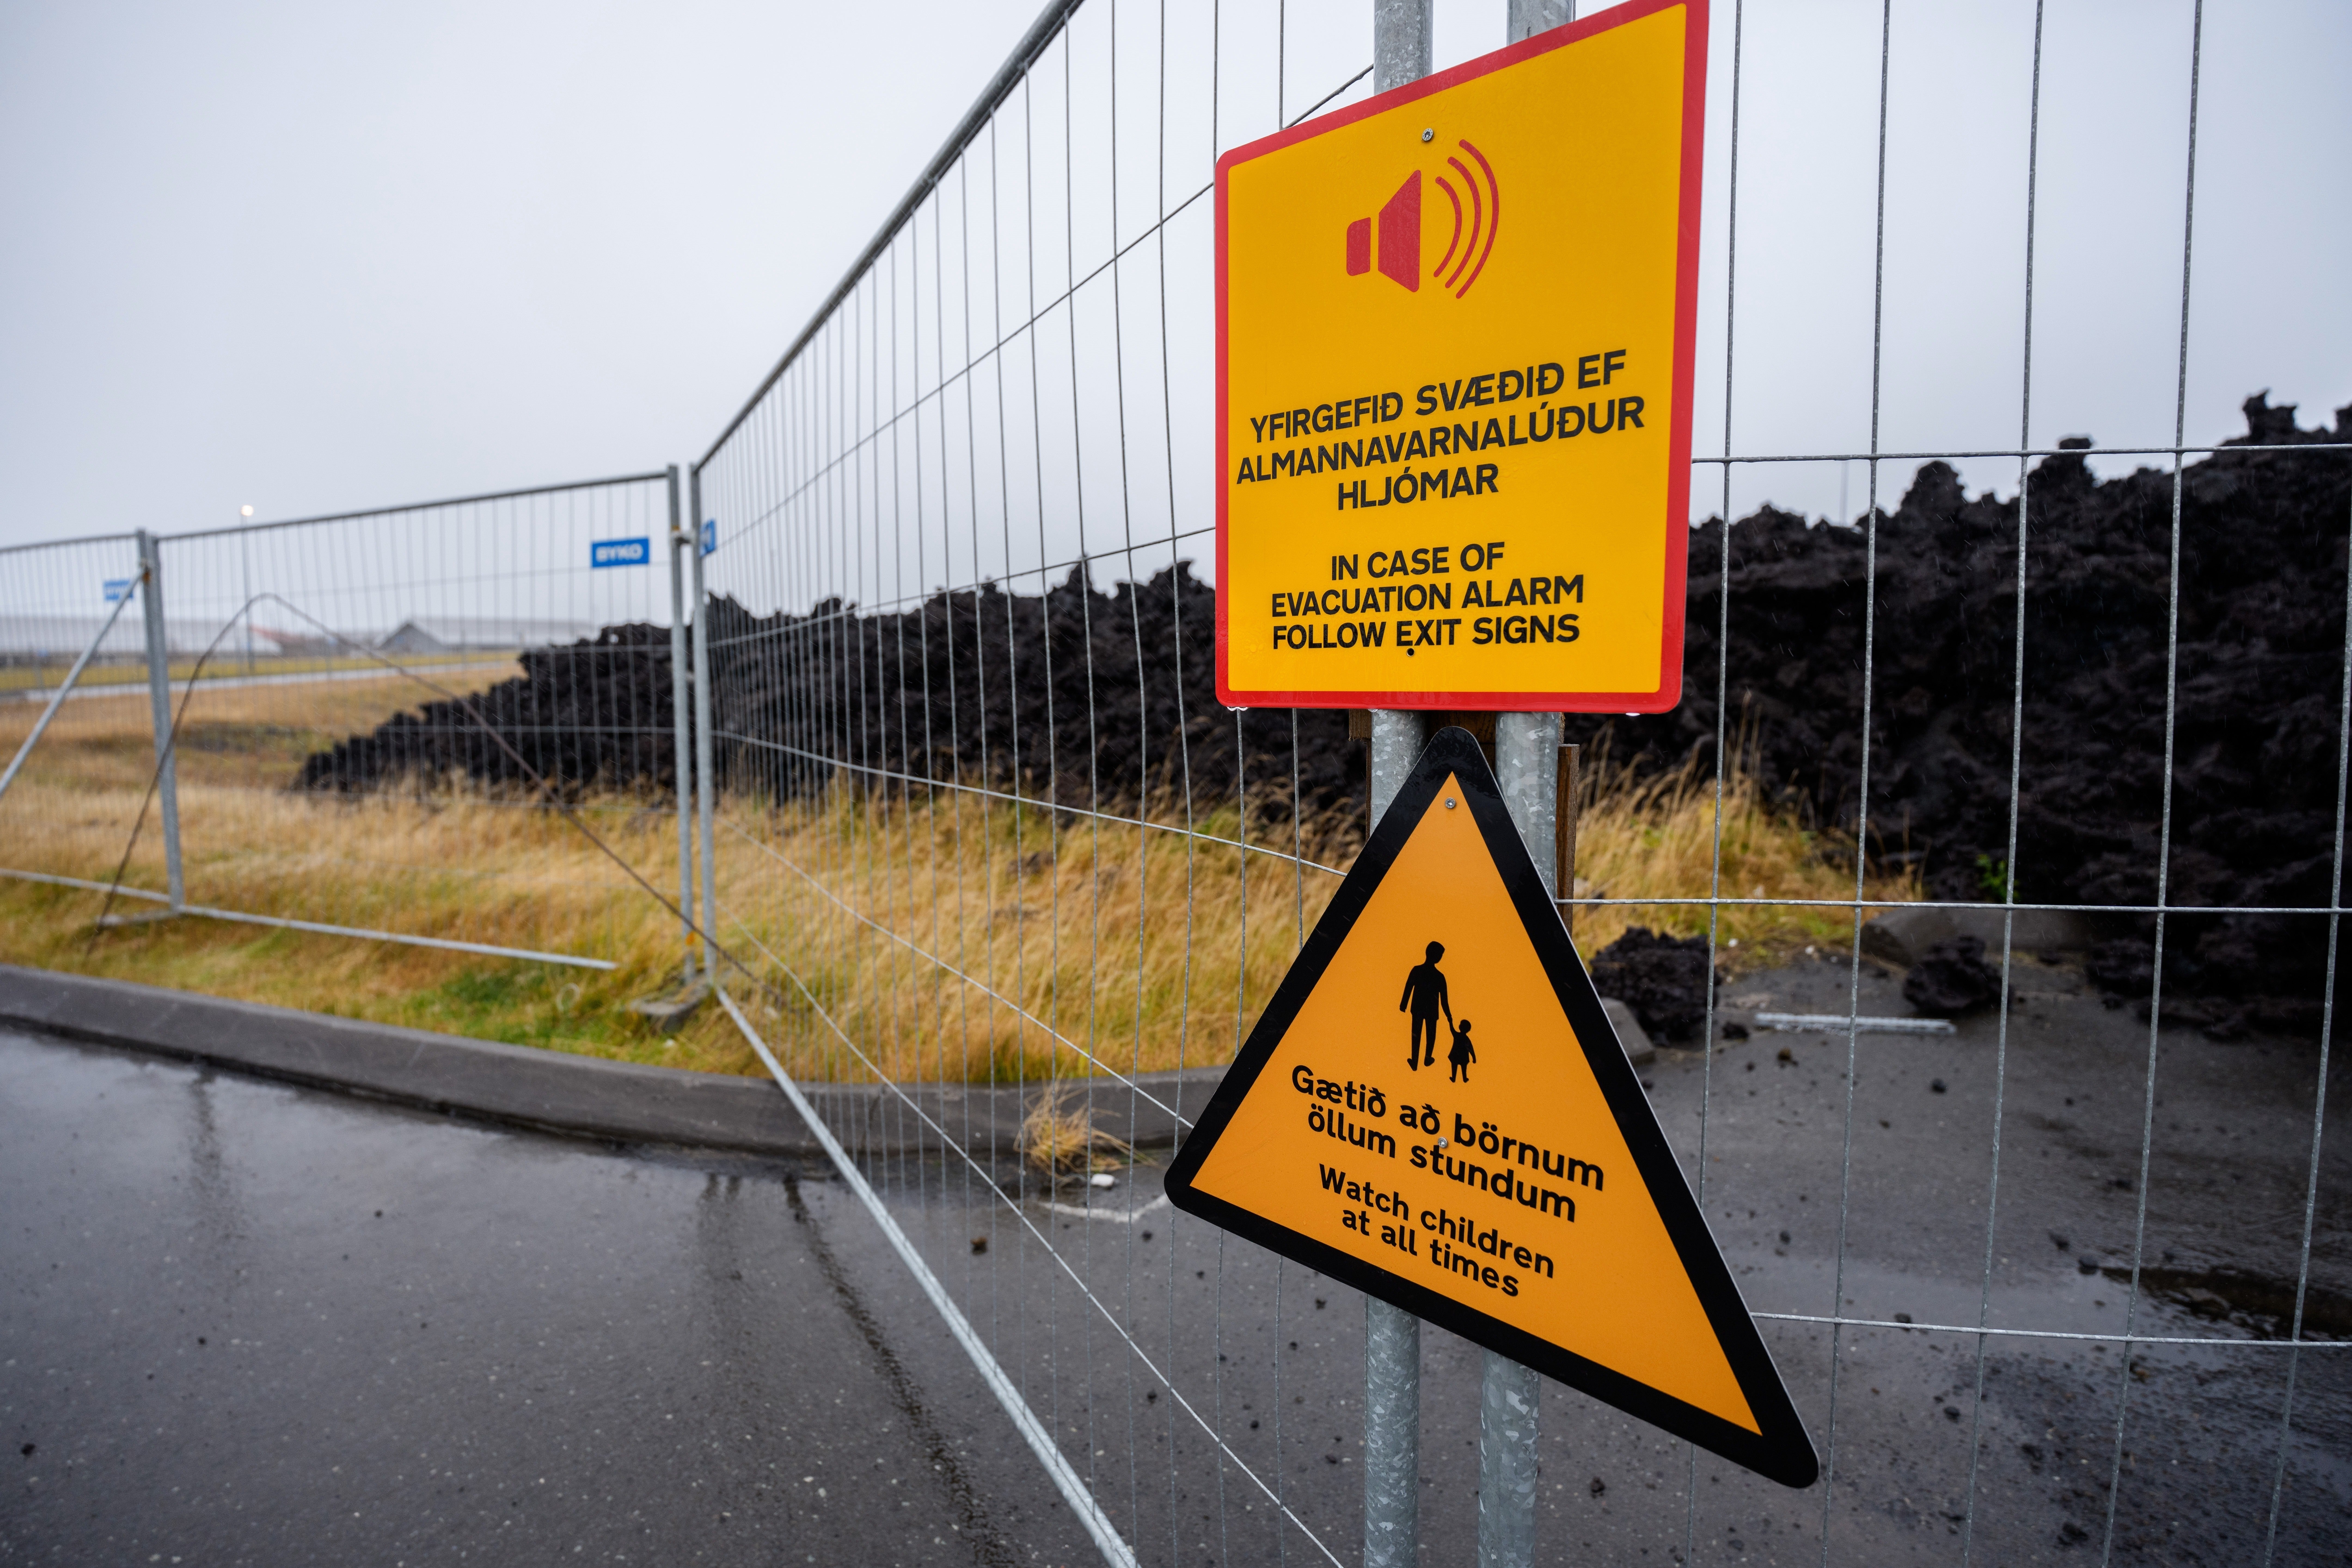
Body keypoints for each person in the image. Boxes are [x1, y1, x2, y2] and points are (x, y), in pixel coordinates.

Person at [1398, 941, 1451, 1071]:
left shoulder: (1418, 970)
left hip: (1418, 1008)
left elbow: (1409, 987)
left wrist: (1404, 1004)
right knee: (1430, 1034)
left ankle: (1415, 1060)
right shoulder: (1439, 976)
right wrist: (1448, 1015)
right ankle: (1427, 1058)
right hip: (1431, 1010)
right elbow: (1444, 1000)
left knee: (1417, 1033)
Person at [1447, 1019, 1476, 1083]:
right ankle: (1462, 1078)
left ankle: (1458, 1078)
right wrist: (1474, 1058)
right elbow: (1471, 1049)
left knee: (1458, 1066)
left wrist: (1451, 1023)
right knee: (1461, 1066)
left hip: (1458, 1055)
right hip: (1462, 1056)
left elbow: (1470, 1049)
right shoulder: (1465, 1038)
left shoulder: (1459, 1036)